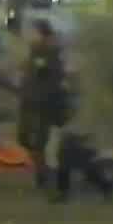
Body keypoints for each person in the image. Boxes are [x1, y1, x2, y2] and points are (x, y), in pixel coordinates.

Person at [16, 21, 75, 199]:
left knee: (38, 143)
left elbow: (47, 77)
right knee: (26, 139)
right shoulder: (37, 51)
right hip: (30, 102)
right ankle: (43, 176)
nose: (28, 36)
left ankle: (48, 183)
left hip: (41, 104)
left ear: (40, 34)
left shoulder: (47, 52)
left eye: (31, 32)